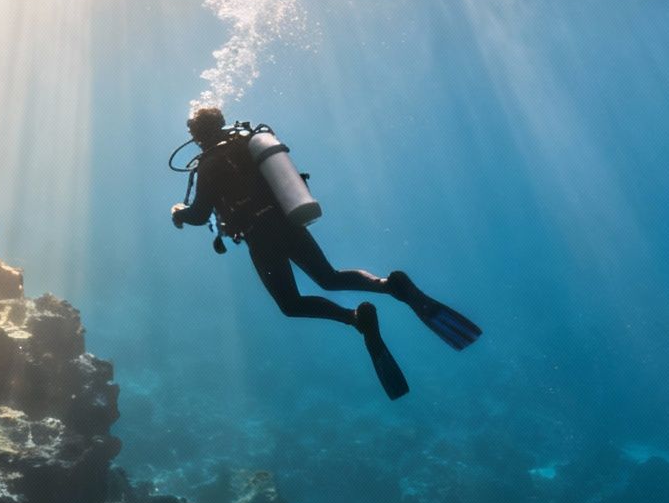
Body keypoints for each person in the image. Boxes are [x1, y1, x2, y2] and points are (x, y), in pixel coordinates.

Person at [170, 106, 479, 400]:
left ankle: (355, 318)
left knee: (290, 304)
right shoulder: (250, 145)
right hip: (288, 224)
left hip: (260, 237)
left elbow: (199, 215)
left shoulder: (208, 165)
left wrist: (179, 212)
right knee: (329, 277)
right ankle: (389, 285)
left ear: (197, 136)